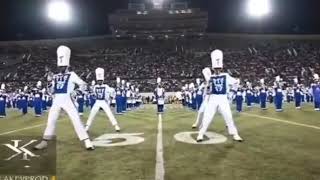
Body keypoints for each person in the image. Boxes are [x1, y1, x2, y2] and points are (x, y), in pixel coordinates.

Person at [34, 45, 94, 151]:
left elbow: (83, 84)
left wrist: (76, 92)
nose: (60, 68)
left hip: (68, 100)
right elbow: (51, 91)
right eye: (59, 67)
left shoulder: (72, 74)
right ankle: (44, 141)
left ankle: (87, 141)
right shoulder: (55, 76)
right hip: (56, 100)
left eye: (63, 67)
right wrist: (48, 82)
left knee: (76, 120)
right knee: (51, 121)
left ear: (67, 66)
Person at [197, 49, 243, 142]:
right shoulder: (210, 77)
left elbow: (236, 81)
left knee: (228, 116)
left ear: (221, 68)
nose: (217, 70)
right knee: (207, 116)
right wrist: (208, 84)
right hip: (213, 98)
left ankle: (235, 134)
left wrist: (233, 91)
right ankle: (200, 134)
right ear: (213, 69)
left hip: (223, 98)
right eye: (215, 69)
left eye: (219, 69)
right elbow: (208, 91)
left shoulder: (226, 76)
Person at [85, 68, 120, 132]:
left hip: (103, 101)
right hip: (97, 101)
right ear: (97, 80)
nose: (99, 82)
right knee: (92, 114)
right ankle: (87, 126)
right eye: (98, 80)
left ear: (103, 80)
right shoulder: (95, 87)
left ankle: (116, 126)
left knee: (109, 113)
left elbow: (112, 91)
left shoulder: (106, 86)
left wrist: (117, 86)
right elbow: (93, 94)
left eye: (100, 80)